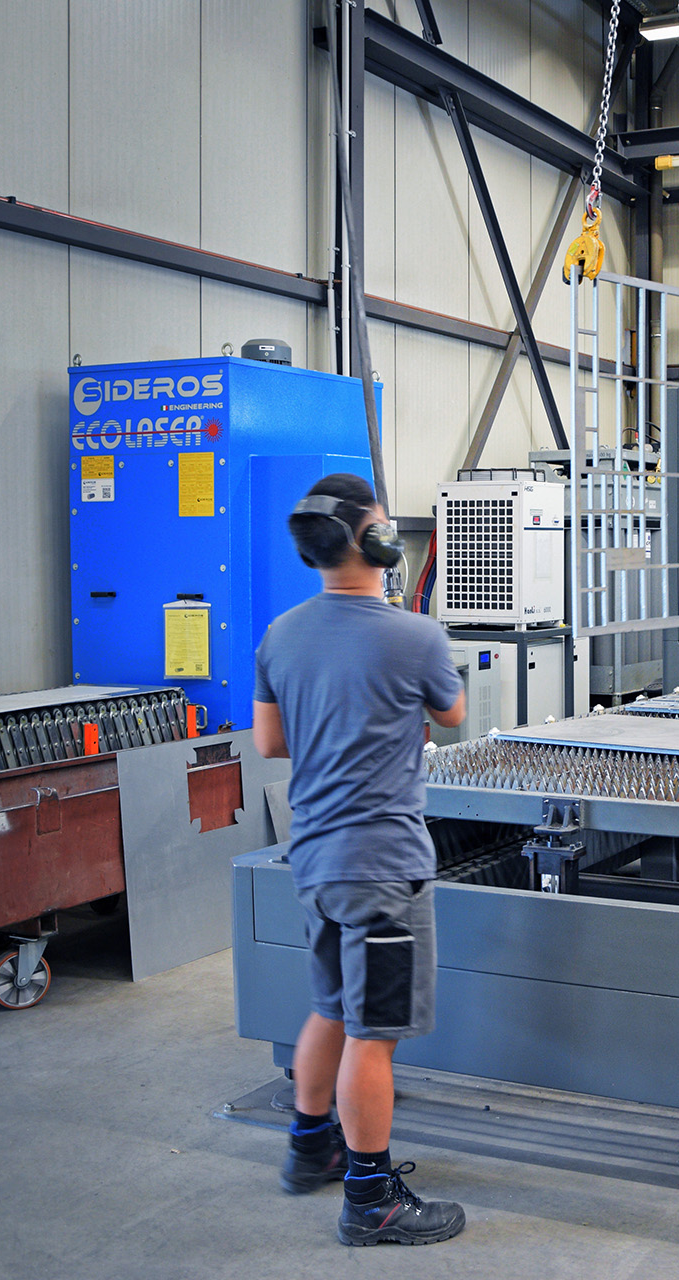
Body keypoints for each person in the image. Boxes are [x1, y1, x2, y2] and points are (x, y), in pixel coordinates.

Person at [252, 472, 468, 1247]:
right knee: (373, 1032)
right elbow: (452, 712)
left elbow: (270, 742)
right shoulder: (415, 635)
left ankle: (311, 1147)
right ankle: (370, 1198)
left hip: (313, 854)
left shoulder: (280, 634)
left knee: (332, 1009)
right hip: (380, 862)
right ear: (374, 540)